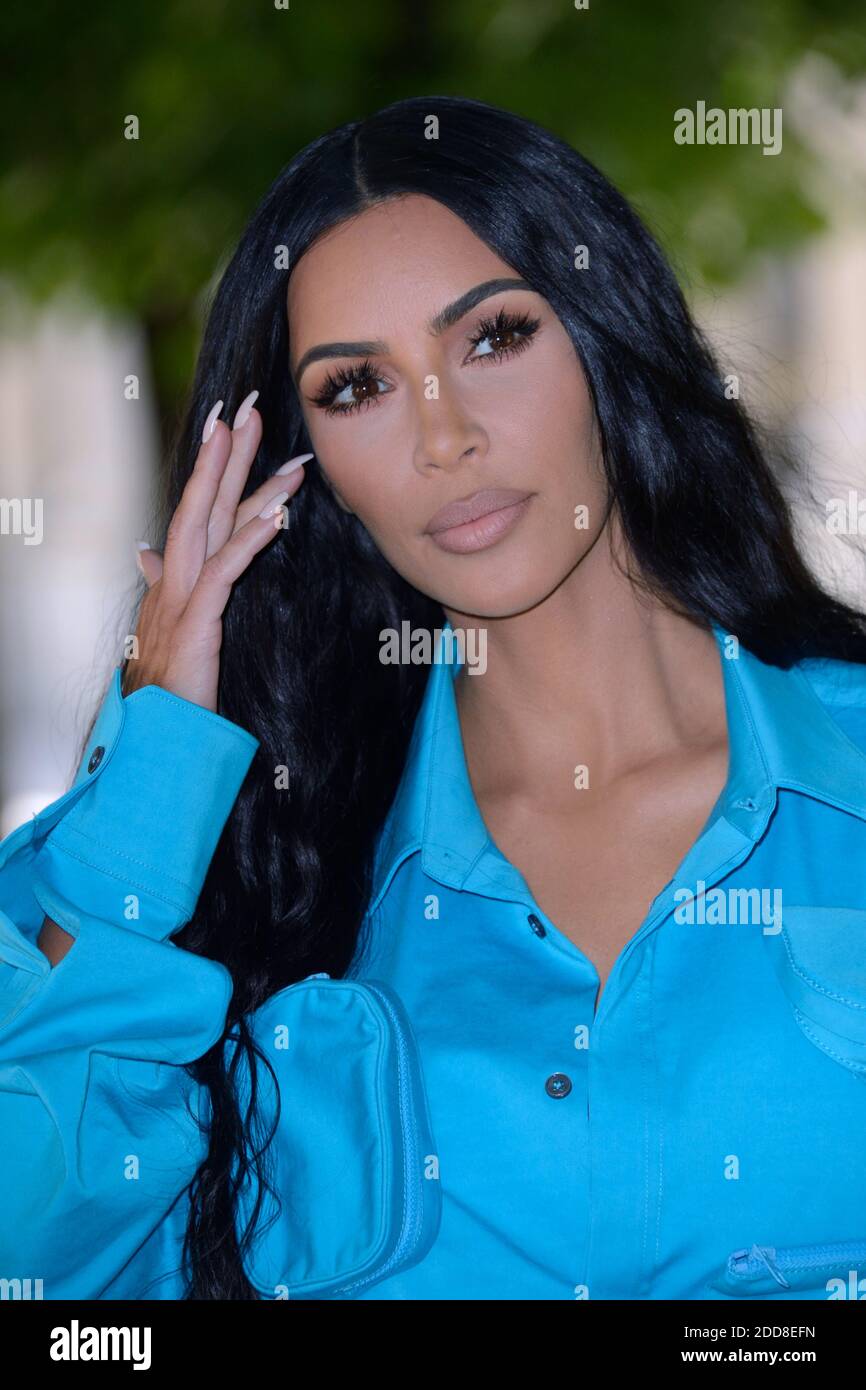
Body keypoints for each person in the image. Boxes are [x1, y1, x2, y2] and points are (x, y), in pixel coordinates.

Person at [2, 93, 866, 1302]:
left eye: (492, 337)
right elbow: (42, 1271)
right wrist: (154, 768)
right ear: (305, 473)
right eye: (357, 388)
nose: (443, 436)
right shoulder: (219, 867)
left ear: (605, 335)